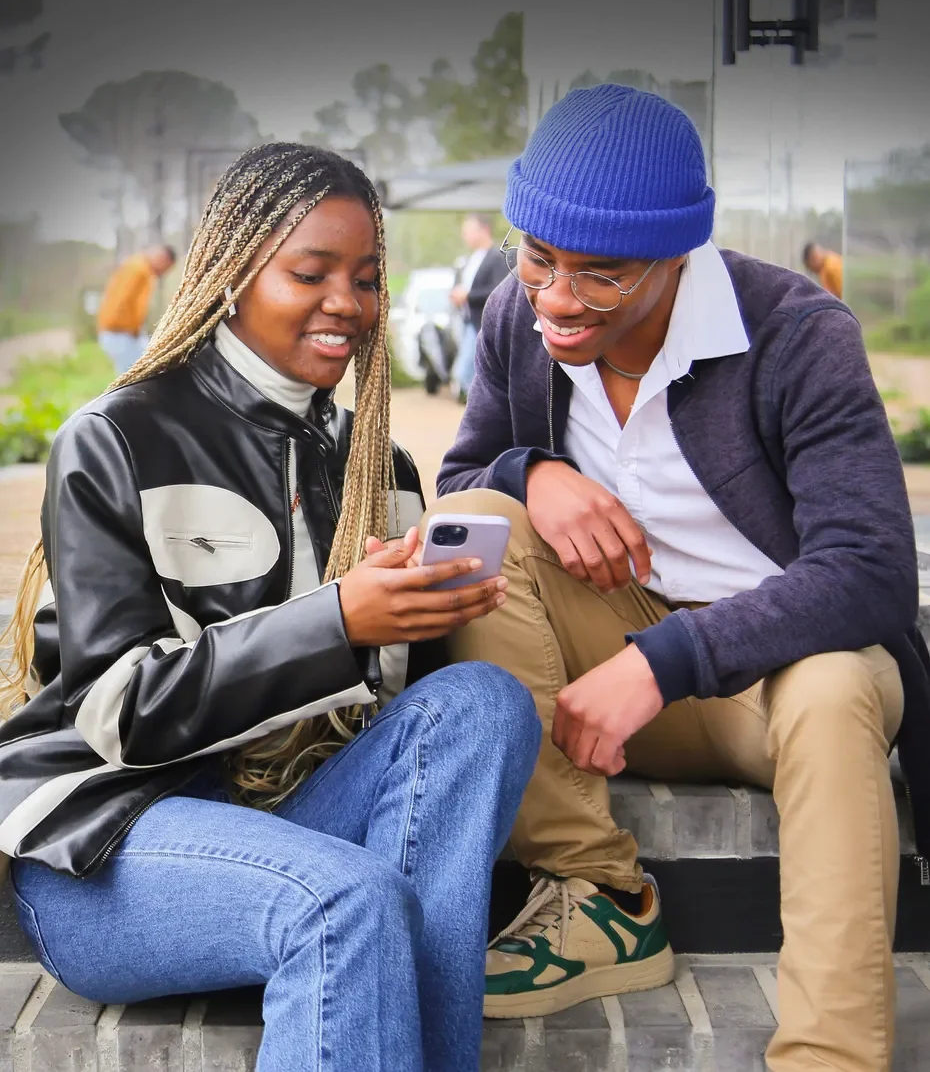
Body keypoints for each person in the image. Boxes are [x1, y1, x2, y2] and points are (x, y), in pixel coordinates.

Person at [0, 143, 540, 1072]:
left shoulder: (384, 473)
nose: (349, 302)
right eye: (311, 271)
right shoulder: (118, 437)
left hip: (288, 817)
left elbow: (418, 746)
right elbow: (119, 711)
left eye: (367, 279)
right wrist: (338, 622)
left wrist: (425, 611)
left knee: (486, 702)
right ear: (232, 272)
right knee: (344, 895)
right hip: (115, 840)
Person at [432, 85, 927, 1072]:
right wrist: (538, 475)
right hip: (604, 665)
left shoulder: (796, 332)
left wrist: (670, 656)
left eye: (602, 275)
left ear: (677, 256)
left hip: (773, 679)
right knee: (478, 531)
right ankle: (602, 898)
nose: (559, 299)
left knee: (832, 688)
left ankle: (830, 1055)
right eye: (540, 260)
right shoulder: (514, 315)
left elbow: (871, 570)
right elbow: (458, 480)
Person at [450, 214, 509, 400]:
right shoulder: (468, 260)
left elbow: (499, 289)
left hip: (484, 322)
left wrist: (468, 295)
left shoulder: (497, 257)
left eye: (469, 231)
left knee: (466, 372)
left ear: (484, 230)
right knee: (468, 371)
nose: (465, 236)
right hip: (467, 321)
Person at [96, 243, 177, 374]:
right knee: (137, 375)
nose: (163, 273)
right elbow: (123, 301)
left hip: (122, 332)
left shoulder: (137, 266)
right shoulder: (140, 270)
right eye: (165, 268)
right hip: (119, 332)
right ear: (162, 259)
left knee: (148, 364)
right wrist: (132, 330)